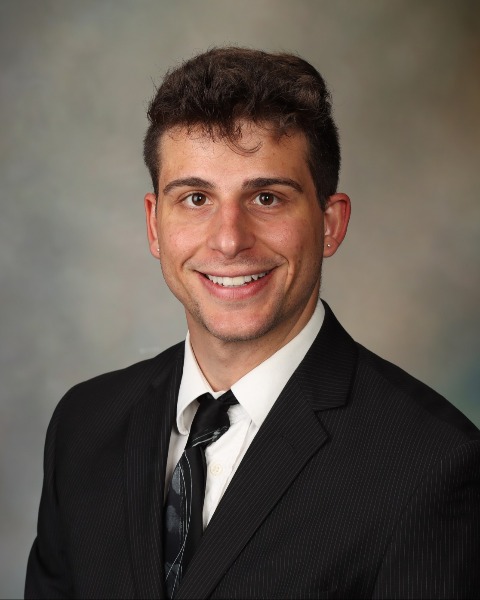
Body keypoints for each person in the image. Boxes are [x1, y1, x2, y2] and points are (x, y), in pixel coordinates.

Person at [25, 47, 480, 599]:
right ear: (154, 225)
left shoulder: (431, 466)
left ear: (330, 224)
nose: (229, 239)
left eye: (266, 197)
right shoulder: (84, 426)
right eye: (196, 198)